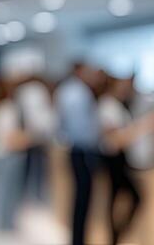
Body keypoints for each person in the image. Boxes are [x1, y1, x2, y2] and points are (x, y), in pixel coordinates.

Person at [55, 62, 105, 245]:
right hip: (83, 150)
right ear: (79, 71)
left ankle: (78, 238)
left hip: (76, 149)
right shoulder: (79, 93)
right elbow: (81, 128)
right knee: (82, 200)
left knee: (80, 199)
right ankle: (79, 239)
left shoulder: (67, 90)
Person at [98, 76, 150, 245]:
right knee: (128, 197)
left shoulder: (118, 105)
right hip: (114, 159)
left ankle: (116, 236)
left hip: (121, 159)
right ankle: (116, 236)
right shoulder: (107, 106)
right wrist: (142, 127)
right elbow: (114, 139)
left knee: (116, 200)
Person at [0, 79, 33, 233]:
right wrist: (27, 139)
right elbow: (10, 137)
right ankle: (5, 222)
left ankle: (3, 221)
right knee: (7, 190)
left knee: (2, 188)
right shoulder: (8, 108)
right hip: (9, 154)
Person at [13, 76, 57, 203]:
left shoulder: (29, 91)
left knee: (35, 175)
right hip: (29, 140)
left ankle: (34, 198)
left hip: (34, 140)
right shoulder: (33, 91)